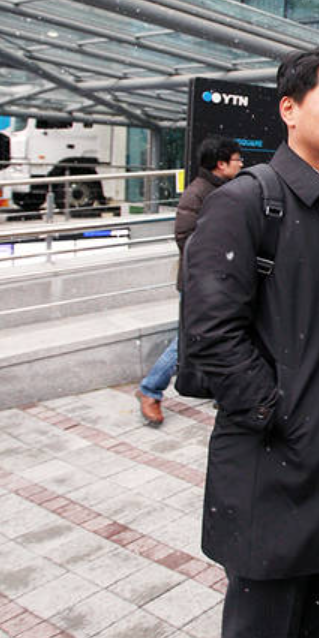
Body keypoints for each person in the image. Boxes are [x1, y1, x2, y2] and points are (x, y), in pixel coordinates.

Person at [181, 44, 319, 638]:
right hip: (275, 466)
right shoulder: (246, 203)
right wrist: (281, 413)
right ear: (290, 109)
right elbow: (210, 333)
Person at [135, 136, 242, 425]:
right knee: (187, 340)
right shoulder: (198, 193)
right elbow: (185, 238)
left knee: (219, 336)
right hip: (201, 283)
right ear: (221, 164)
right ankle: (150, 389)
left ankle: (222, 393)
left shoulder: (221, 190)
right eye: (237, 160)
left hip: (219, 281)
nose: (241, 164)